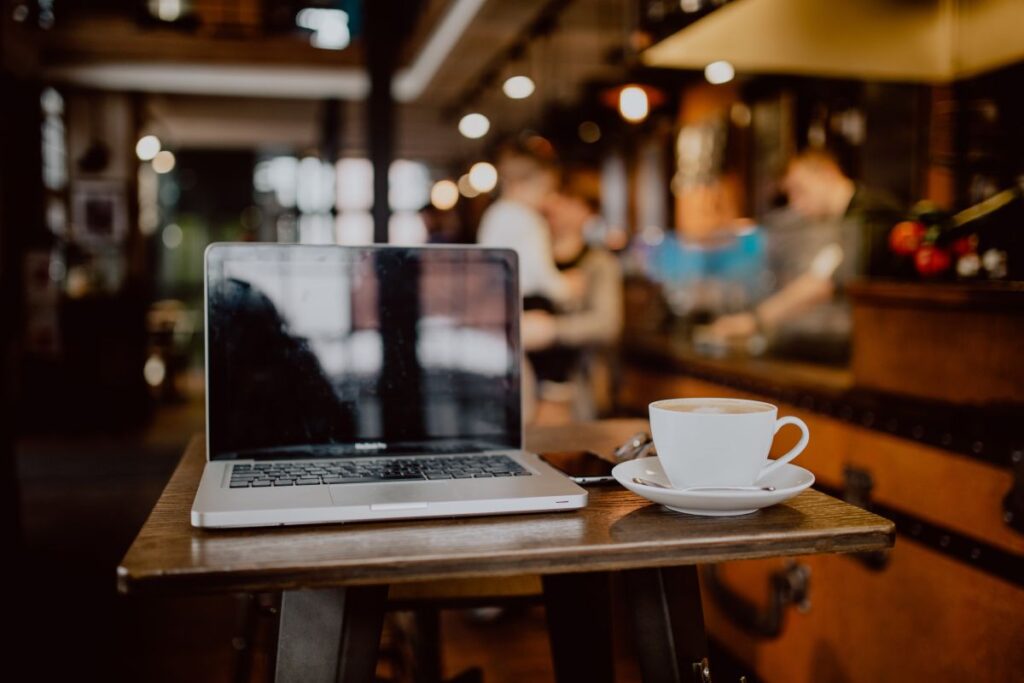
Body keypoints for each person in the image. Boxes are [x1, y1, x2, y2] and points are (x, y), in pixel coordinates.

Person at [708, 148, 902, 355]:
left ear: (828, 174)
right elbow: (819, 275)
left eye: (798, 189)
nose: (795, 203)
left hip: (891, 346)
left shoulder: (869, 213)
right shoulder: (843, 222)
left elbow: (821, 285)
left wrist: (754, 320)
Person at [522, 168, 623, 422]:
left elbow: (607, 324)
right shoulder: (530, 258)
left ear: (587, 210)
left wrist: (551, 330)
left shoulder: (599, 263)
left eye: (567, 200)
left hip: (576, 387)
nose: (554, 206)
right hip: (524, 383)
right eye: (553, 196)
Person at [476, 143, 583, 307]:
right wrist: (566, 288)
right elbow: (540, 272)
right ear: (521, 186)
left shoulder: (494, 213)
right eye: (545, 191)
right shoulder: (530, 219)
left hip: (495, 299)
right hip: (527, 302)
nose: (546, 200)